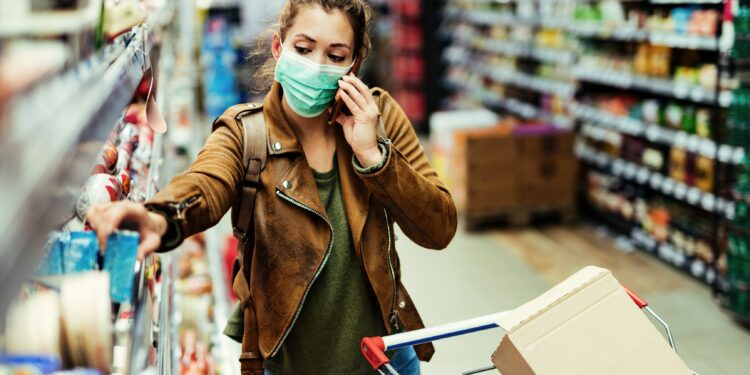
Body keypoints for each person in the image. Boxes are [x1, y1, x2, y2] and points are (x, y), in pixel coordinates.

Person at [86, 0, 457, 374]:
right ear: (279, 48)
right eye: (303, 48)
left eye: (335, 55)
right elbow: (207, 183)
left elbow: (439, 227)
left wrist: (373, 156)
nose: (315, 65)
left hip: (387, 363)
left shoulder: (380, 120)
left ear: (354, 65)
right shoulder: (245, 133)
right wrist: (161, 217)